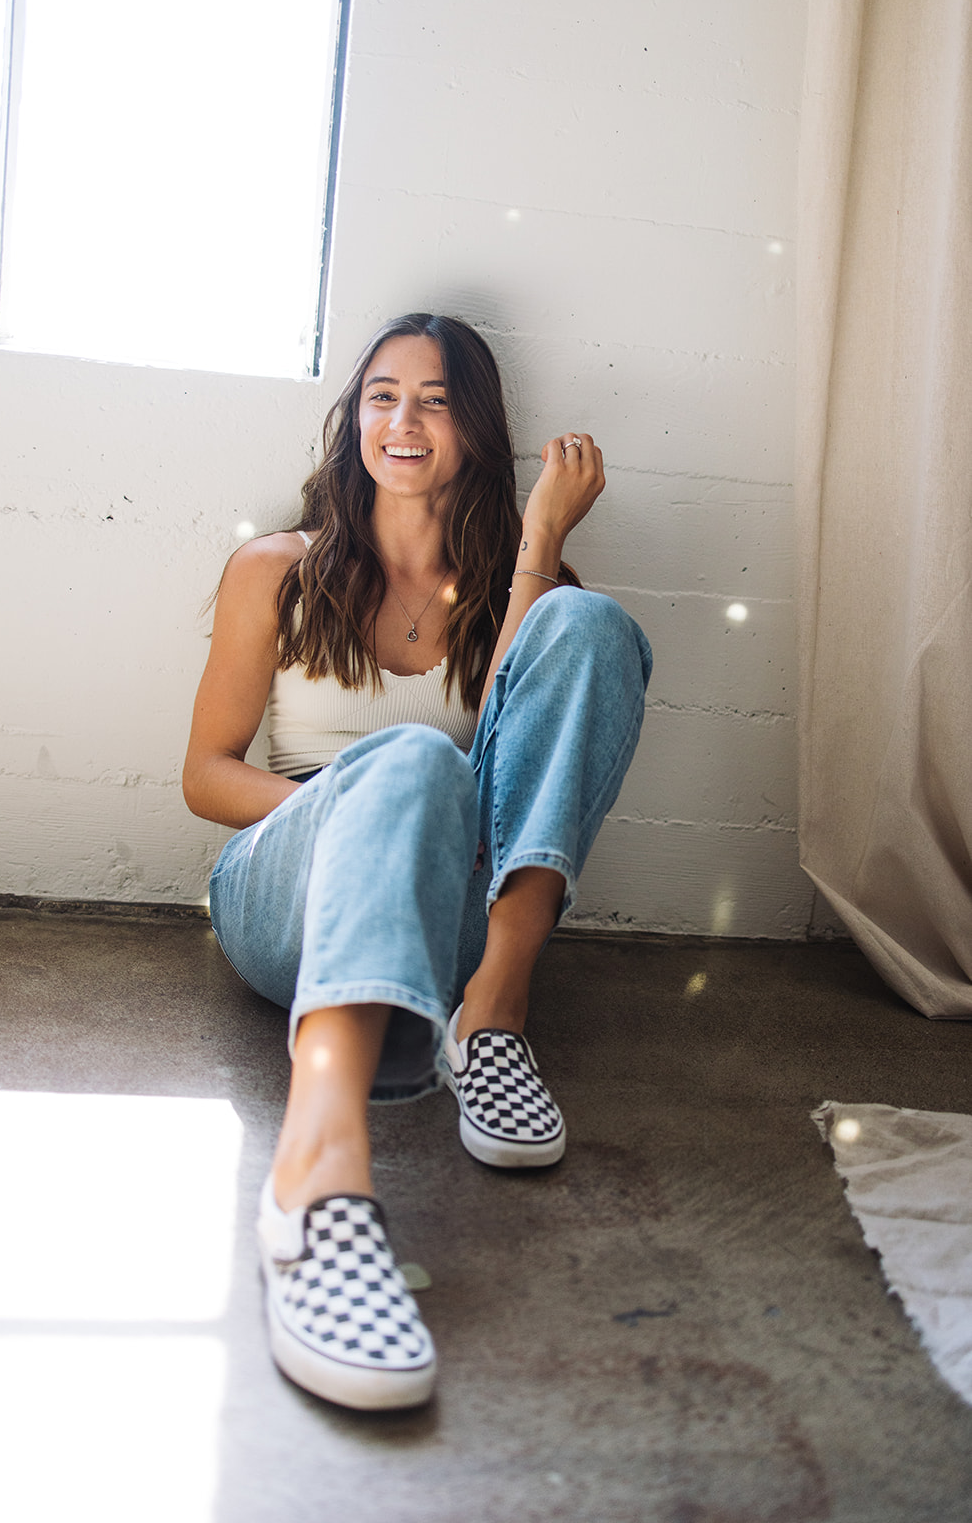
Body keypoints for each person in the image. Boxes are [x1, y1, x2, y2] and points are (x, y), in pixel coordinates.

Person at [183, 313, 652, 1411]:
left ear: (476, 432)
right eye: (381, 394)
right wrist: (354, 806)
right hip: (284, 891)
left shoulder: (515, 585)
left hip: (452, 909)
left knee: (583, 627)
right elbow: (207, 774)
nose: (401, 419)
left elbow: (503, 781)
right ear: (353, 420)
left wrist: (536, 547)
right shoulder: (275, 569)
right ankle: (317, 1175)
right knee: (405, 765)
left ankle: (490, 1014)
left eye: (435, 399)